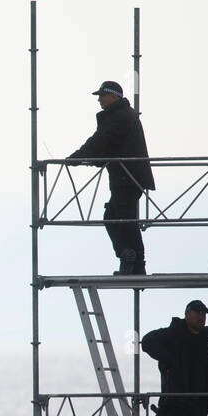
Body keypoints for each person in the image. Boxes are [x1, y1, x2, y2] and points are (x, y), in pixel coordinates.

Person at [67, 80, 156, 275]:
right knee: (120, 218)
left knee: (121, 220)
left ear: (113, 96)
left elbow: (100, 141)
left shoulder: (119, 116)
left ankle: (131, 260)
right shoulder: (123, 115)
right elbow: (109, 145)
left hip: (127, 177)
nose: (99, 100)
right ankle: (132, 261)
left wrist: (77, 157)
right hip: (127, 176)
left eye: (102, 95)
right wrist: (92, 158)